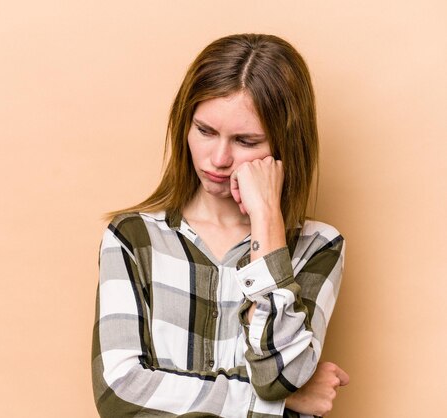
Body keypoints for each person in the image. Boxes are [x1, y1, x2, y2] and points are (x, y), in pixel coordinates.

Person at [92, 33, 349, 418]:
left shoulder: (319, 246)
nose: (218, 158)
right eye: (205, 131)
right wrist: (278, 404)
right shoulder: (133, 238)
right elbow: (119, 391)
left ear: (284, 146)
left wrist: (266, 221)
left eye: (246, 141)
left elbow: (281, 376)